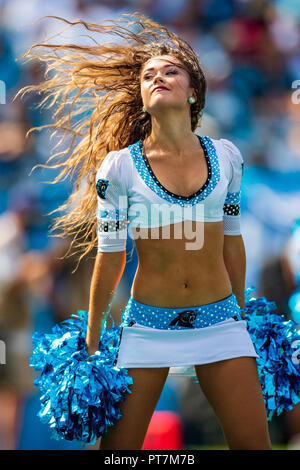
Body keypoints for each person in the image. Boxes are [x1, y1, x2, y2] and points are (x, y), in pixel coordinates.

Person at [17, 13, 273, 450]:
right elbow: (111, 254)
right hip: (146, 328)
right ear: (141, 97)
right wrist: (94, 335)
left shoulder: (227, 156)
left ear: (193, 93)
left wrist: (242, 316)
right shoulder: (118, 166)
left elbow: (231, 241)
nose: (158, 78)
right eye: (148, 75)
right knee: (118, 454)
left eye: (170, 71)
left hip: (220, 322)